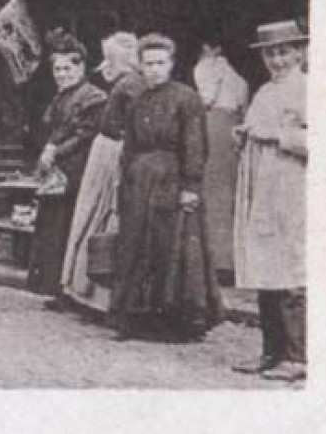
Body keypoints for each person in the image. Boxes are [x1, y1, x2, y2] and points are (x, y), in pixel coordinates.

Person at [109, 34, 222, 342]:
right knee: (135, 245)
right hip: (139, 183)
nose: (154, 69)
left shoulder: (187, 99)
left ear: (171, 64)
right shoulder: (138, 101)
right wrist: (125, 182)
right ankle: (136, 318)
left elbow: (196, 145)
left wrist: (191, 186)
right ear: (141, 67)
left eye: (160, 63)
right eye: (148, 64)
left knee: (171, 247)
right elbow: (129, 145)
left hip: (172, 181)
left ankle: (177, 321)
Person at [232, 20, 310, 382]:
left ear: (299, 51)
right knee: (265, 266)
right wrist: (243, 136)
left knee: (292, 267)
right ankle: (271, 351)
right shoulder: (264, 93)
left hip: (292, 190)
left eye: (283, 51)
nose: (277, 59)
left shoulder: (307, 89)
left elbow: (319, 140)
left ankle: (298, 355)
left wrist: (275, 136)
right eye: (270, 53)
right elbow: (255, 130)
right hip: (261, 189)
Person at [60, 32, 144, 313]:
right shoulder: (125, 82)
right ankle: (88, 292)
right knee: (95, 215)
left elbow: (128, 126)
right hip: (107, 153)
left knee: (101, 215)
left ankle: (96, 294)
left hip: (113, 154)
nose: (105, 66)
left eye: (110, 59)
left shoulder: (129, 84)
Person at [26, 33, 108, 304]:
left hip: (79, 171)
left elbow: (85, 135)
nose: (62, 74)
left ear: (81, 67)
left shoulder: (93, 97)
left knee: (70, 229)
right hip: (58, 171)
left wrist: (54, 150)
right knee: (53, 230)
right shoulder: (62, 96)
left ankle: (69, 291)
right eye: (57, 69)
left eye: (68, 69)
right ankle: (56, 288)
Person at [194, 34, 250, 278]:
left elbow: (206, 99)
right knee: (229, 192)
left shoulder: (206, 67)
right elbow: (244, 109)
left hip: (213, 125)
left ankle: (215, 260)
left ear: (208, 47)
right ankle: (231, 259)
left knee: (212, 191)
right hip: (232, 127)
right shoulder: (238, 77)